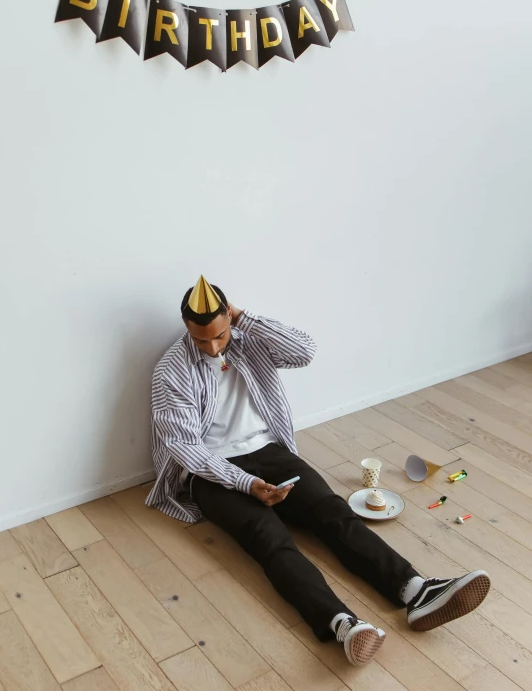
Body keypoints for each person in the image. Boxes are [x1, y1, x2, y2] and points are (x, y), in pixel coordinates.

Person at [146, 276, 491, 666]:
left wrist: (246, 320)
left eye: (220, 335)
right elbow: (185, 448)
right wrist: (247, 483)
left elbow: (304, 351)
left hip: (269, 450)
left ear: (230, 316)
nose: (212, 347)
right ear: (186, 330)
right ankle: (341, 624)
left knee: (332, 510)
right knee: (269, 539)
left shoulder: (248, 337)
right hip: (212, 472)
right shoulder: (171, 371)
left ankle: (416, 590)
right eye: (200, 340)